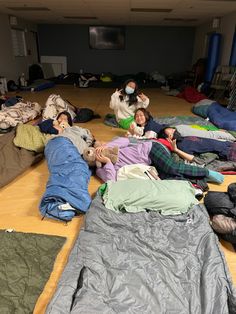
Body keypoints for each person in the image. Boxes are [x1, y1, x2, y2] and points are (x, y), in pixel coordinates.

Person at [95, 137, 224, 186]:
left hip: (150, 149)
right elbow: (111, 181)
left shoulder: (113, 147)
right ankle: (201, 180)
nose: (97, 151)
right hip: (149, 165)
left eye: (96, 148)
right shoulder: (101, 168)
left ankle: (206, 172)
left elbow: (126, 140)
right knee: (167, 179)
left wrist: (107, 146)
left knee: (171, 167)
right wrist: (107, 162)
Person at [159, 127, 236, 162]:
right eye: (171, 134)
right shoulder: (181, 147)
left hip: (228, 144)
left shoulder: (184, 137)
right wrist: (176, 150)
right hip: (227, 151)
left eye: (173, 129)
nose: (174, 131)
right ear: (168, 139)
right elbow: (192, 159)